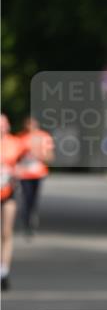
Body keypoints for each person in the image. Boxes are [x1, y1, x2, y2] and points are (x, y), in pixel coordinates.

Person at [15, 116, 54, 236]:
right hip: (24, 173)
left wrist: (38, 155)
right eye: (27, 124)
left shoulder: (44, 136)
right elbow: (14, 156)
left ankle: (32, 215)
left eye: (32, 124)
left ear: (36, 124)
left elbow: (50, 157)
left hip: (38, 173)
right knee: (26, 196)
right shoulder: (20, 137)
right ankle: (26, 220)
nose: (29, 127)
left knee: (34, 197)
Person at [1, 114, 27, 290]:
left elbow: (26, 164)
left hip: (8, 193)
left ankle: (4, 270)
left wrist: (16, 171)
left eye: (3, 124)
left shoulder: (16, 143)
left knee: (6, 232)